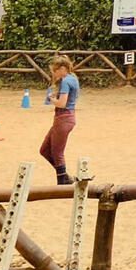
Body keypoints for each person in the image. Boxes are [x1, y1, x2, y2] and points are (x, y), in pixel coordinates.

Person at [40, 56, 79, 185]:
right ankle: (64, 175)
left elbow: (62, 103)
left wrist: (51, 98)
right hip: (65, 118)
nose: (54, 74)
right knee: (45, 150)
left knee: (57, 152)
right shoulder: (72, 79)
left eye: (55, 71)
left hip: (63, 118)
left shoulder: (66, 82)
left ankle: (62, 179)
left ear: (62, 69)